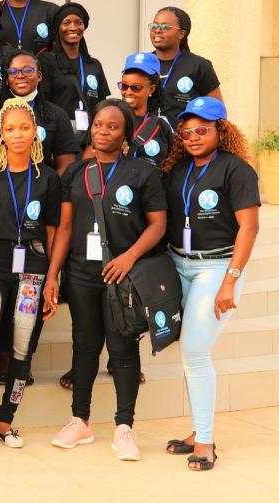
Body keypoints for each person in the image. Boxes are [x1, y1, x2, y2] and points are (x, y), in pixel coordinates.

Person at [44, 99, 167, 460]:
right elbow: (65, 228)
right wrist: (54, 274)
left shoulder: (143, 173)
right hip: (83, 275)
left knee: (123, 348)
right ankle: (79, 421)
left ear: (126, 133)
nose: (103, 131)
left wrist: (129, 257)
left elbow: (158, 224)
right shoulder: (76, 172)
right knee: (84, 346)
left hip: (123, 276)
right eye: (98, 124)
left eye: (112, 126)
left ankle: (124, 427)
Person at [160, 97, 260, 471]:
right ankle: (197, 430)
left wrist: (230, 281)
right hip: (179, 263)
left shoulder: (237, 170)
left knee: (196, 352)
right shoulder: (179, 168)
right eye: (186, 132)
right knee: (191, 355)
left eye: (202, 129)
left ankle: (205, 442)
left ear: (222, 130)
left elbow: (249, 228)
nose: (193, 137)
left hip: (217, 267)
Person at [0, 97, 61, 455]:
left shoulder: (47, 176)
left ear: (35, 131)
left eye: (24, 127)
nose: (17, 134)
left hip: (33, 264)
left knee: (22, 344)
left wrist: (54, 276)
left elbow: (52, 231)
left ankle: (5, 421)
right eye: (10, 129)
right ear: (1, 134)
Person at [0, 50, 80, 174]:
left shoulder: (56, 115)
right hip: (0, 189)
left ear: (40, 76)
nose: (20, 76)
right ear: (6, 79)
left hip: (44, 190)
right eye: (13, 72)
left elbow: (66, 166)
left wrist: (48, 189)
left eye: (27, 70)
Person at [149, 6, 224, 126]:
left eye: (165, 27)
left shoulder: (199, 65)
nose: (157, 30)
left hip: (183, 140)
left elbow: (217, 112)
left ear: (181, 33)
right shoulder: (142, 64)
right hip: (146, 140)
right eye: (154, 25)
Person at [40, 2, 110, 131]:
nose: (73, 27)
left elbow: (102, 105)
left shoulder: (94, 65)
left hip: (90, 136)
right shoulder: (46, 62)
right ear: (58, 28)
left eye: (78, 22)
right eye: (66, 23)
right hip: (59, 134)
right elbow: (43, 103)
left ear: (84, 26)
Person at [119, 52, 174, 166]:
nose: (128, 92)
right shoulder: (112, 118)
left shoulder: (162, 127)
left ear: (151, 89)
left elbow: (172, 166)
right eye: (124, 86)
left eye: (136, 88)